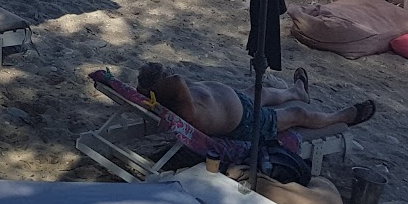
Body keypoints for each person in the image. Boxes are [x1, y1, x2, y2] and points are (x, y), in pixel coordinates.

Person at [137, 63, 374, 143]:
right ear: (162, 87)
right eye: (167, 73)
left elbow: (174, 81)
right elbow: (177, 81)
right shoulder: (185, 108)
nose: (173, 73)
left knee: (260, 91)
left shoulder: (177, 94)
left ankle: (296, 90)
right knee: (297, 114)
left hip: (238, 100)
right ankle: (344, 117)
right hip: (246, 123)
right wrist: (154, 85)